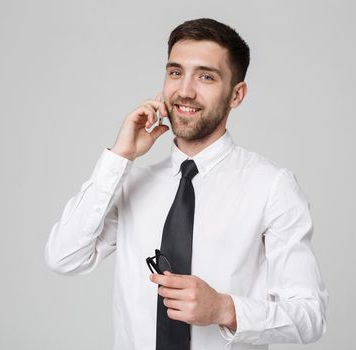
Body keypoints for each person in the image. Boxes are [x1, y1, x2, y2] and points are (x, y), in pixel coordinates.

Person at [45, 18, 328, 350]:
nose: (185, 91)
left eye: (206, 76)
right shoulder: (132, 183)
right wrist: (120, 156)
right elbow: (64, 257)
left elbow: (310, 316)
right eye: (175, 72)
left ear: (236, 95)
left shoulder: (271, 187)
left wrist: (225, 309)